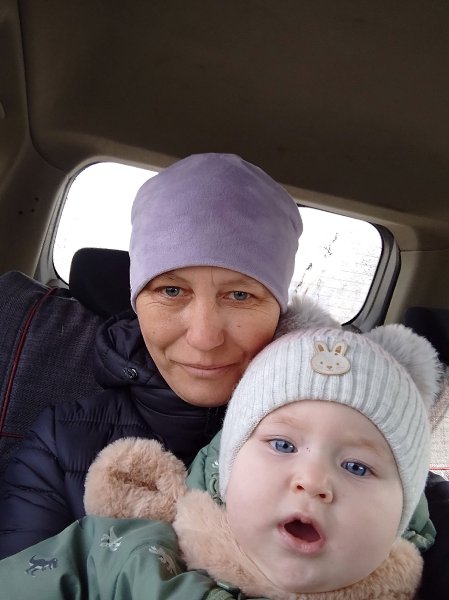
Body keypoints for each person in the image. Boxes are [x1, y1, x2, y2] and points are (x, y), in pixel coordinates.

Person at [0, 152, 306, 559]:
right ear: (136, 301)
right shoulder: (61, 441)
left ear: (279, 310)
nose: (204, 338)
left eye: (239, 295)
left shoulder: (330, 442)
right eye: (171, 291)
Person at [0, 323, 441, 599]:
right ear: (227, 471)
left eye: (358, 467)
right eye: (283, 445)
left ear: (402, 516)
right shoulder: (120, 557)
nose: (312, 480)